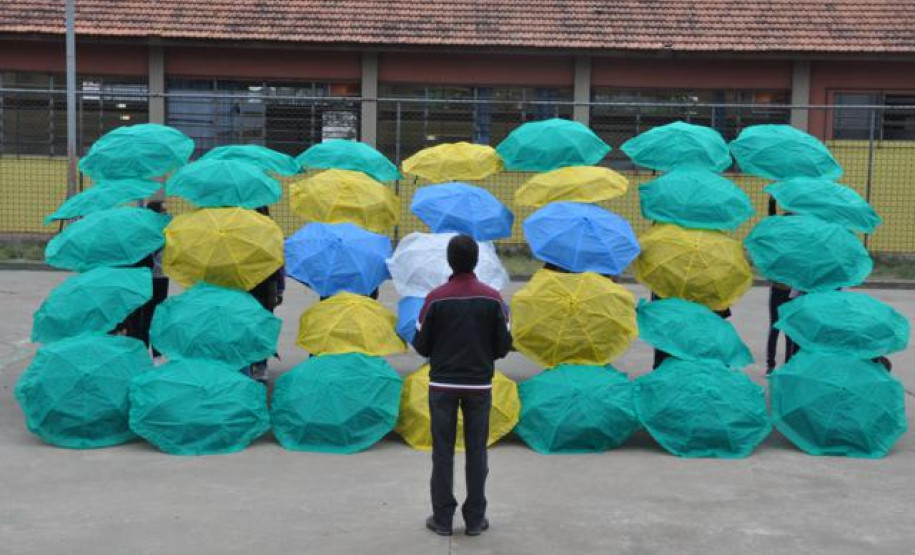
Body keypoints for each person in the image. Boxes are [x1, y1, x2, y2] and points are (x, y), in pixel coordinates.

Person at [412, 234, 513, 537]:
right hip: (479, 386)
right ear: (476, 261)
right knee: (476, 451)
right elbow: (503, 345)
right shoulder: (493, 298)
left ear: (449, 260)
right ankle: (474, 519)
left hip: (442, 385)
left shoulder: (435, 298)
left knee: (442, 452)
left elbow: (422, 345)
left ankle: (442, 519)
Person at [246, 206, 286, 385]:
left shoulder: (244, 232)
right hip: (267, 284)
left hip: (248, 284)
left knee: (248, 323)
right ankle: (261, 365)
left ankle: (251, 363)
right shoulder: (273, 232)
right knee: (265, 324)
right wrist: (280, 289)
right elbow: (280, 263)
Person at [125, 200, 170, 357]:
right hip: (147, 277)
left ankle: (156, 352)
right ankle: (142, 350)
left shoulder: (165, 230)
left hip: (161, 277)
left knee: (156, 315)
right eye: (162, 212)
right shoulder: (146, 231)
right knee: (143, 315)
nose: (166, 215)